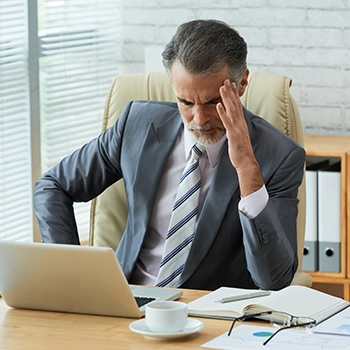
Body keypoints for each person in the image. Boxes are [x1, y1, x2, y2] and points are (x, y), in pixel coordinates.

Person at [34, 19, 305, 291]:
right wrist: (67, 275)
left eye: (213, 102)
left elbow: (274, 280)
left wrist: (247, 169)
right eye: (186, 102)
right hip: (125, 303)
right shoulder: (136, 125)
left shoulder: (280, 156)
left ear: (242, 83)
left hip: (206, 316)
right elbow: (53, 186)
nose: (199, 119)